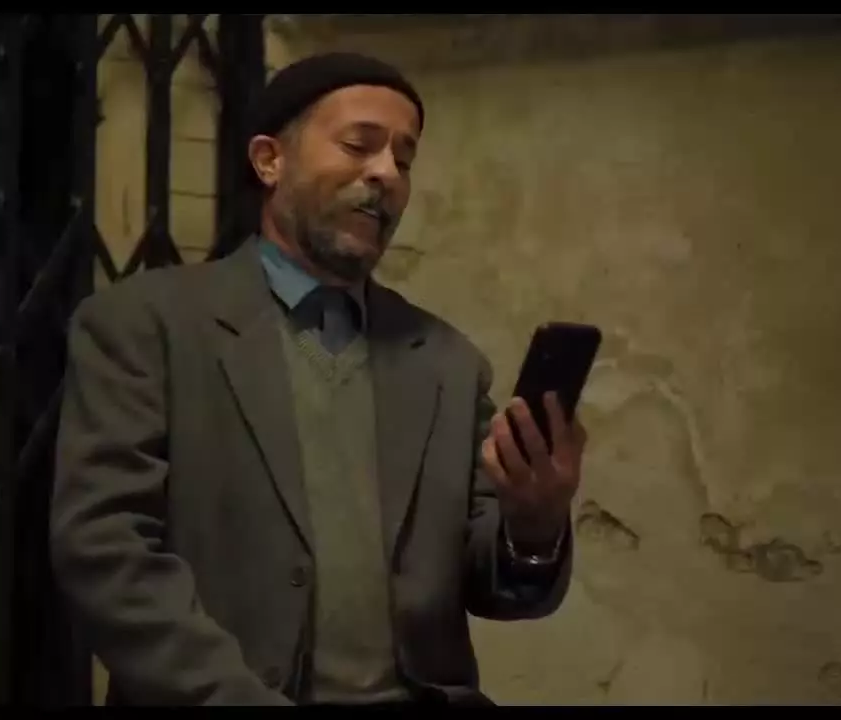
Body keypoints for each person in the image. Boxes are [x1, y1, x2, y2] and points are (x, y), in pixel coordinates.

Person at [50, 52, 589, 707]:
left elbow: (501, 587)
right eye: (360, 145)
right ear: (268, 160)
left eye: (405, 159)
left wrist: (534, 524)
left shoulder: (446, 363)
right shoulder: (146, 327)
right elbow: (107, 554)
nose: (386, 173)